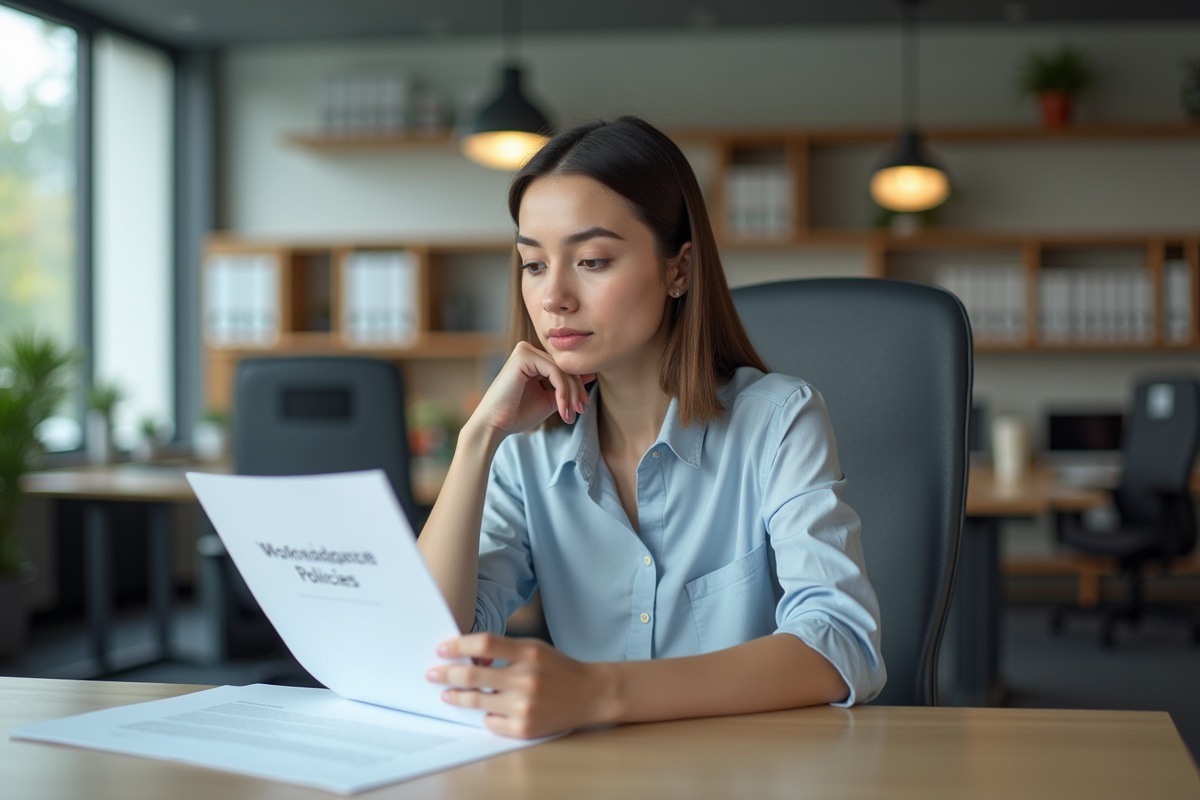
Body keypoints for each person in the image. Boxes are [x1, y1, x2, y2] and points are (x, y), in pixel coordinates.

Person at [419, 116, 884, 739]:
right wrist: (476, 440)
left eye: (592, 260)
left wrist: (600, 692)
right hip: (589, 774)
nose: (554, 296)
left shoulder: (778, 422)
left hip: (750, 767)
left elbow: (842, 644)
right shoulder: (524, 450)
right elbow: (434, 650)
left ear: (679, 270)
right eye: (533, 264)